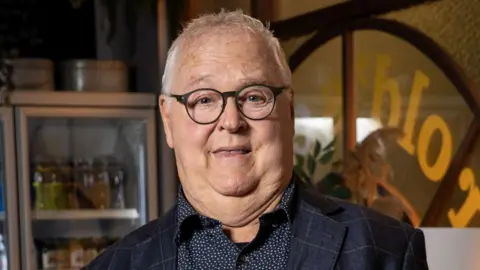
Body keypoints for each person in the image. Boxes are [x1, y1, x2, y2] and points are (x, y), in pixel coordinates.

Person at [84, 10, 429, 270]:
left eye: (254, 97)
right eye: (204, 100)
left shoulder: (387, 250)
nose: (231, 122)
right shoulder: (113, 266)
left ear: (290, 112)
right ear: (167, 120)